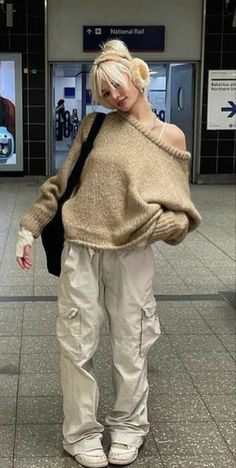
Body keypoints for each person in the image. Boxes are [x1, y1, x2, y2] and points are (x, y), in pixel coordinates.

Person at [16, 40, 201, 468]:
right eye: (105, 91)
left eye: (118, 85)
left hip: (132, 253)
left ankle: (129, 427)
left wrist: (167, 226)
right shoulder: (95, 126)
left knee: (131, 343)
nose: (115, 96)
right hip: (81, 246)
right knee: (76, 343)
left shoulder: (169, 136)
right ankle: (80, 433)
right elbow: (61, 183)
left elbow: (181, 205)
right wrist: (30, 227)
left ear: (137, 76)